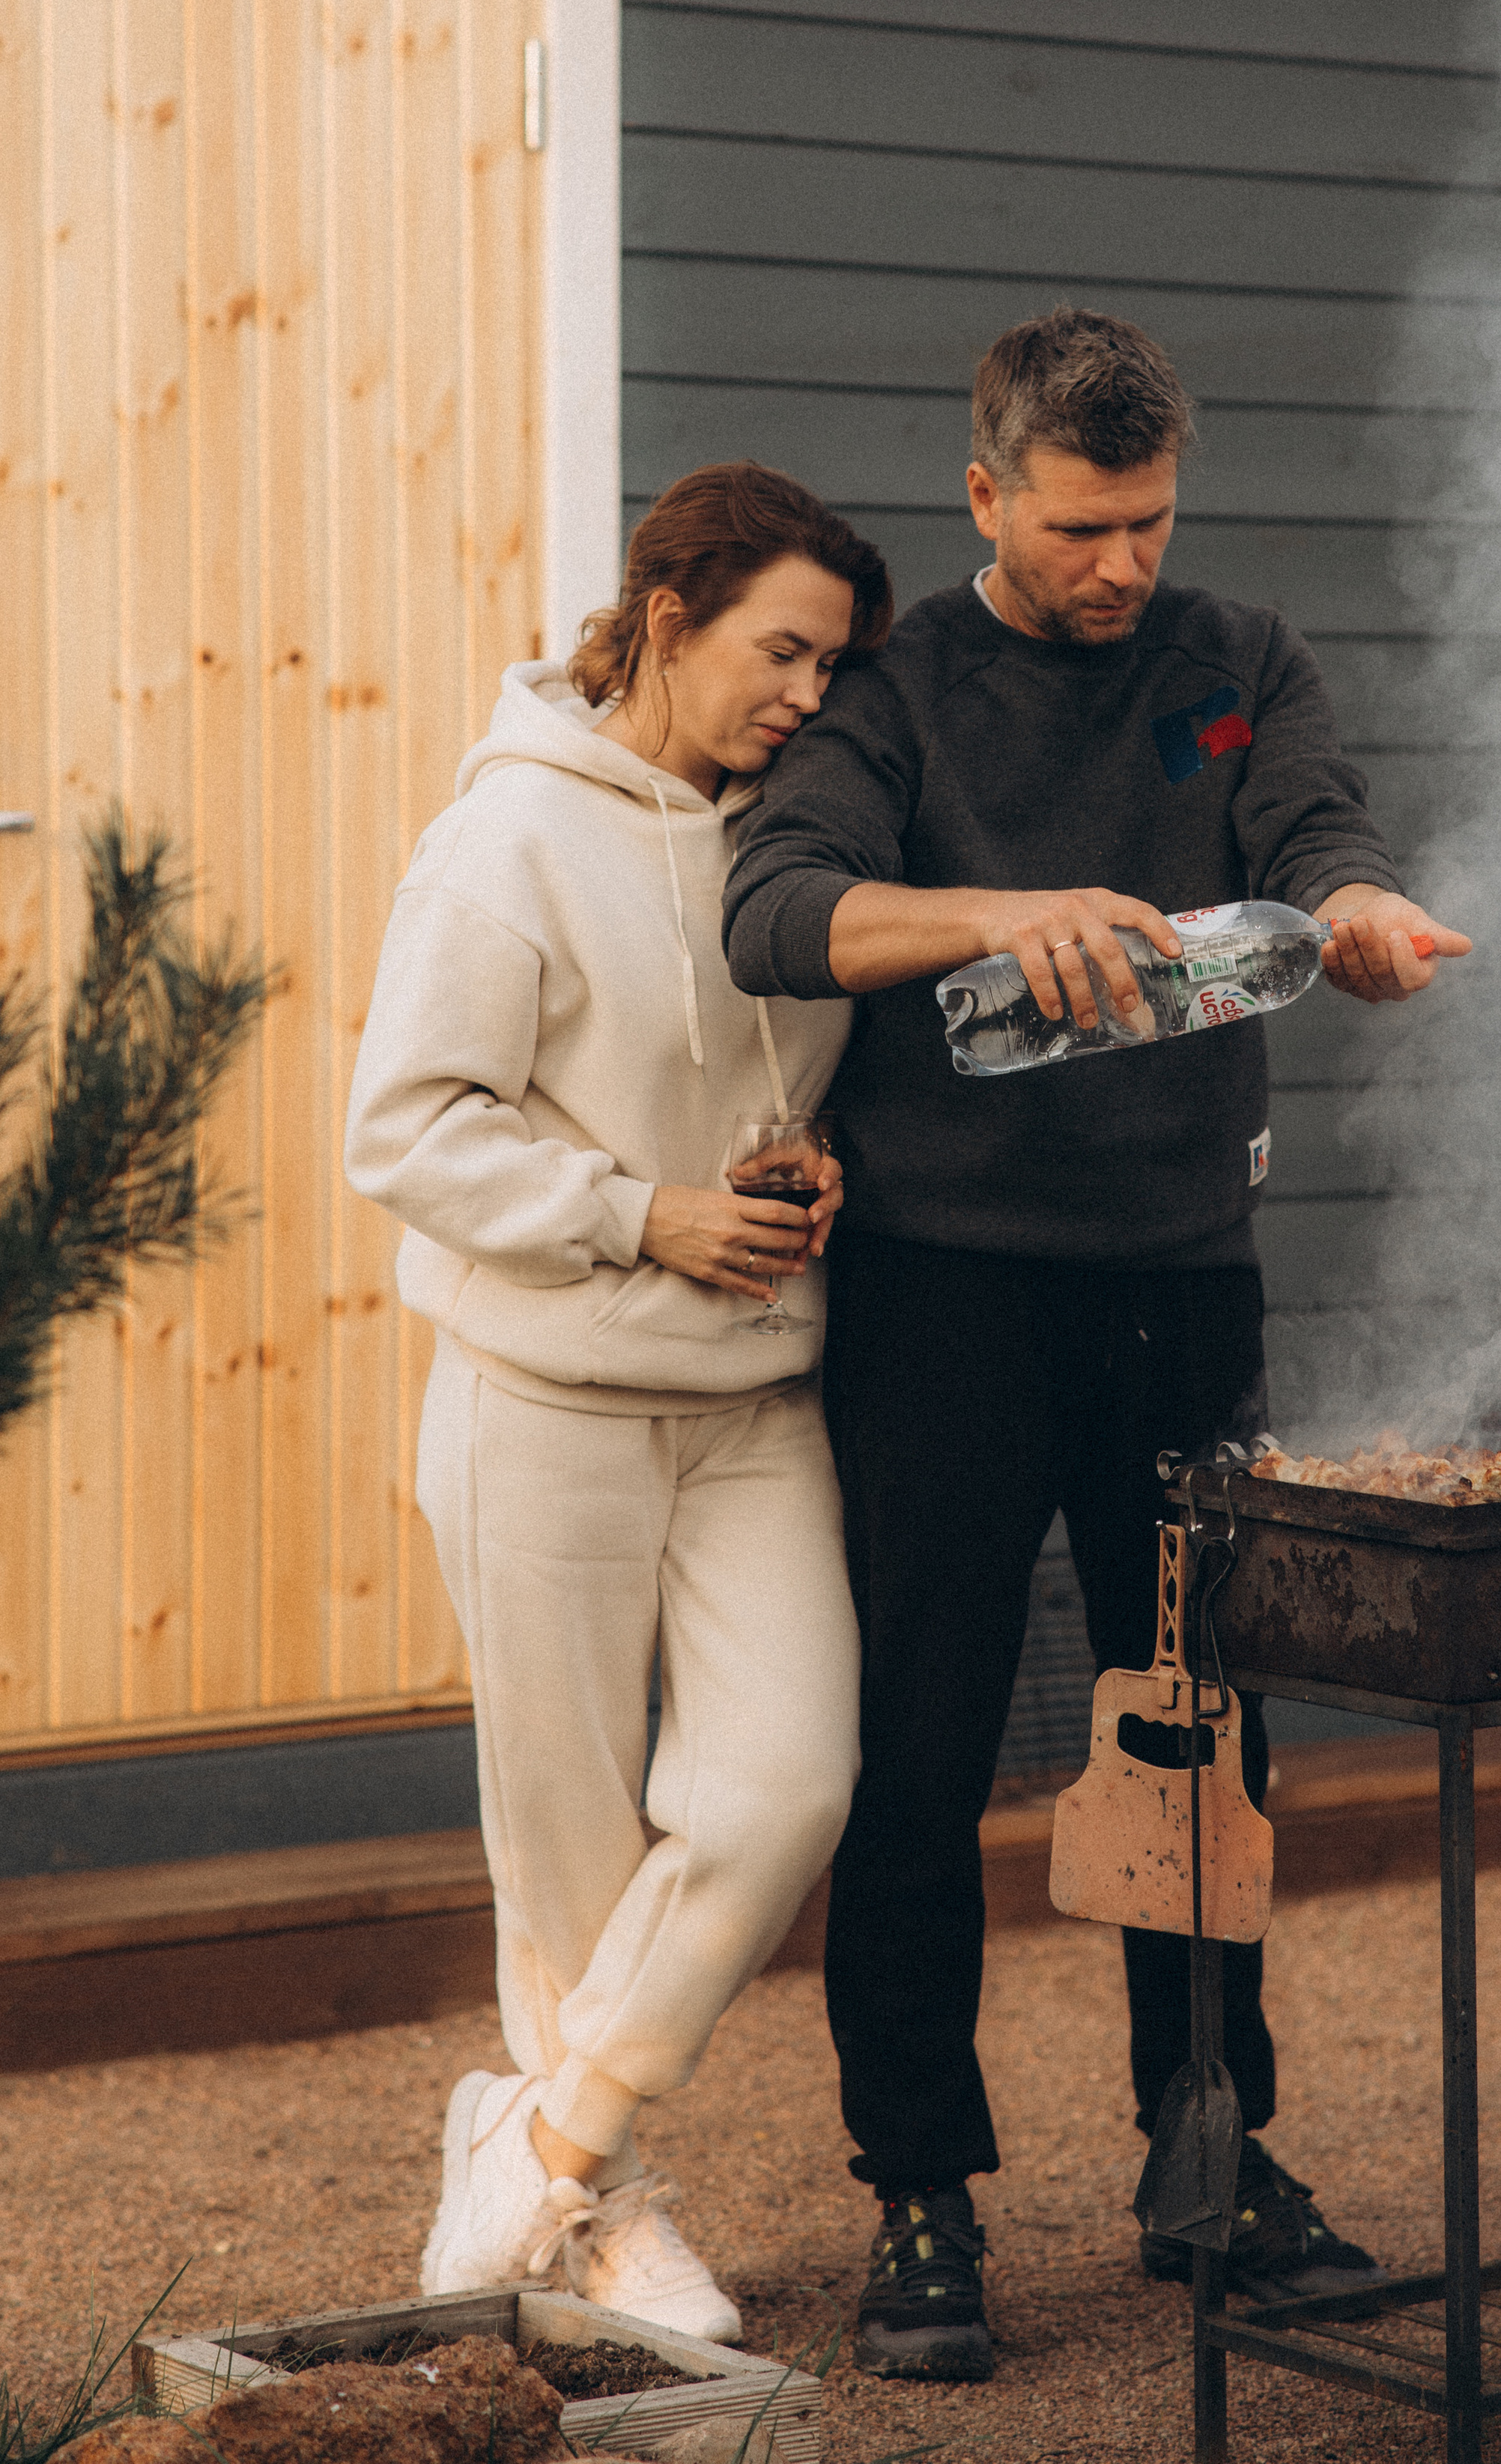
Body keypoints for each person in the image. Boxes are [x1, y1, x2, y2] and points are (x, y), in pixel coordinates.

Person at [722, 311, 1471, 2382]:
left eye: (1147, 520)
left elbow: (1310, 834)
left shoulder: (1236, 659)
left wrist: (1361, 913)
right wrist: (994, 913)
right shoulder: (892, 692)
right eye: (1076, 527)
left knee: (1199, 1733)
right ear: (985, 497)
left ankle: (1211, 2154)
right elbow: (775, 909)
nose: (1121, 564)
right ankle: (921, 2194)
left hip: (1181, 1281)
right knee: (923, 1745)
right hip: (943, 1300)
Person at [345, 461, 892, 2338]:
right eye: (781, 651)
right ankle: (602, 2210)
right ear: (669, 617)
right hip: (544, 1395)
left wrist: (803, 1170)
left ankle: (538, 2138)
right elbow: (405, 1128)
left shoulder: (787, 839)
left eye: (829, 666)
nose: (807, 695)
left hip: (753, 1397)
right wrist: (639, 1213)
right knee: (568, 1845)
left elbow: (776, 1077)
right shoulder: (504, 841)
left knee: (786, 1781)